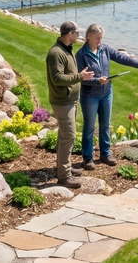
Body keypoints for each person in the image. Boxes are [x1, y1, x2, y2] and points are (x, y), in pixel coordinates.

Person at [75, 24, 138, 169]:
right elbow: (80, 78)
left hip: (106, 94)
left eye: (101, 38)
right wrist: (97, 81)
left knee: (105, 125)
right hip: (89, 96)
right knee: (89, 127)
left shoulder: (104, 49)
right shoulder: (81, 55)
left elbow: (122, 58)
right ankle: (87, 158)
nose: (100, 41)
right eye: (97, 38)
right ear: (88, 37)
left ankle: (105, 154)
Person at [46, 21, 94, 187]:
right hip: (62, 101)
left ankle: (64, 167)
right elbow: (57, 78)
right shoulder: (56, 53)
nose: (79, 35)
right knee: (69, 136)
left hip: (70, 100)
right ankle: (64, 175)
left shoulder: (67, 50)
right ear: (69, 34)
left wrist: (79, 75)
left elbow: (67, 74)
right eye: (77, 33)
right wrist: (80, 77)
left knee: (64, 135)